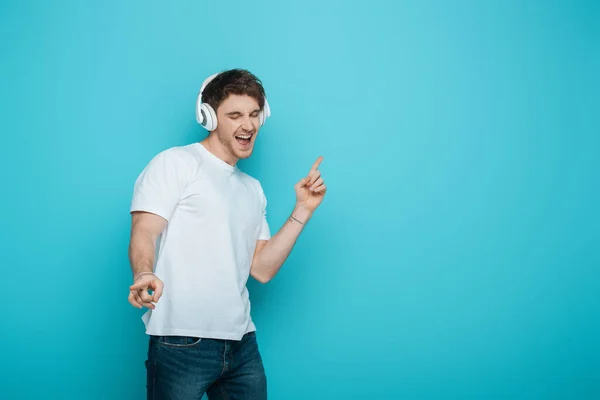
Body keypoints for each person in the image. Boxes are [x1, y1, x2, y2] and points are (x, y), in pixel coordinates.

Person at [127, 68, 327, 400]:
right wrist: (145, 272)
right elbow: (145, 230)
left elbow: (262, 269)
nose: (247, 125)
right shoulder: (176, 163)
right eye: (234, 115)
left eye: (253, 114)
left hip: (242, 343)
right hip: (180, 340)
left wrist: (302, 210)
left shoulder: (253, 189)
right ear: (209, 117)